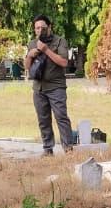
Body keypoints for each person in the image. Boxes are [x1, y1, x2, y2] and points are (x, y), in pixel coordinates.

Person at [23, 15, 75, 155]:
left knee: (61, 117)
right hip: (39, 88)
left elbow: (64, 62)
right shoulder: (32, 43)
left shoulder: (60, 41)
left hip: (56, 87)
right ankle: (47, 149)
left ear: (50, 27)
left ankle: (68, 148)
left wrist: (46, 50)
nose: (40, 31)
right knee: (43, 119)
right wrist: (30, 55)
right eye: (37, 28)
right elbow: (27, 67)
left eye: (43, 28)